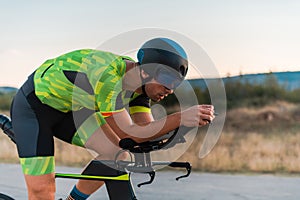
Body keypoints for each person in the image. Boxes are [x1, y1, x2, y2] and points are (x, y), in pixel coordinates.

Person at [10, 37, 215, 200]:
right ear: (145, 72)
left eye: (176, 84)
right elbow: (130, 134)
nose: (170, 89)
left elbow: (146, 131)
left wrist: (184, 127)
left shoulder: (141, 90)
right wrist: (180, 117)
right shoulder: (109, 78)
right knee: (43, 192)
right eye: (168, 80)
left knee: (116, 154)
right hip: (34, 109)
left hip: (73, 109)